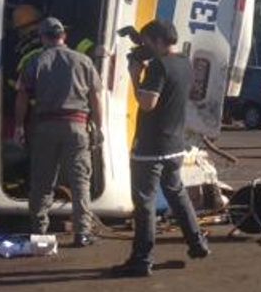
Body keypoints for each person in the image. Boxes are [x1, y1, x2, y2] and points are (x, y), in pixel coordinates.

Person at [111, 19, 209, 277]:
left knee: (144, 202)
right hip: (175, 144)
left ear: (157, 41)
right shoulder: (185, 64)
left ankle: (141, 259)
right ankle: (197, 243)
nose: (144, 47)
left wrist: (135, 76)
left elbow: (147, 104)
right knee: (177, 194)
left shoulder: (158, 67)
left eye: (146, 42)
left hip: (151, 146)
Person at [14, 18, 103, 247]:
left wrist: (19, 126)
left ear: (43, 37)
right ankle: (82, 233)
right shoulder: (83, 61)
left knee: (43, 181)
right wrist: (99, 127)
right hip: (77, 126)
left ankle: (39, 233)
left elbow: (22, 96)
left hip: (45, 127)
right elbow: (96, 97)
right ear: (64, 36)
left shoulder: (35, 61)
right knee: (79, 181)